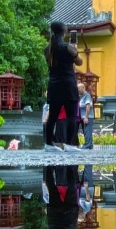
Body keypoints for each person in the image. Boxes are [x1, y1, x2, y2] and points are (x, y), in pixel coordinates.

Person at [44, 22, 82, 150]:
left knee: (53, 116)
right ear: (64, 32)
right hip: (68, 85)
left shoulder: (47, 49)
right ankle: (69, 144)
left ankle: (49, 144)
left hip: (54, 85)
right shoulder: (68, 47)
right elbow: (80, 62)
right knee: (71, 116)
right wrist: (75, 49)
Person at [78, 85, 95, 150]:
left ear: (83, 88)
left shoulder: (87, 95)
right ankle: (89, 145)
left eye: (79, 89)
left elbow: (88, 106)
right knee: (85, 131)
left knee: (87, 131)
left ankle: (87, 145)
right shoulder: (80, 96)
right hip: (82, 117)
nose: (78, 91)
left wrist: (86, 117)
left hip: (88, 117)